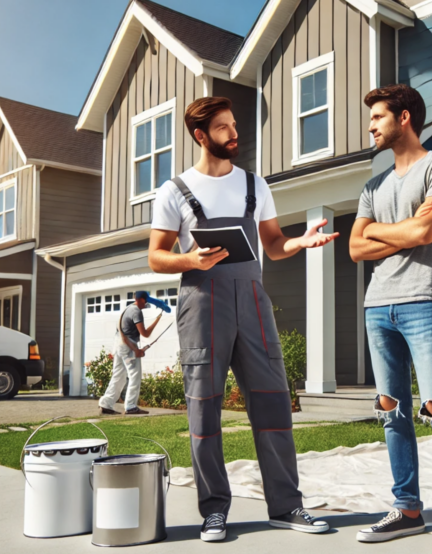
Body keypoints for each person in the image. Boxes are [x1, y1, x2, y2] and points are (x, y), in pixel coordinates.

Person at [148, 96, 336, 542]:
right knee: (204, 410)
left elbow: (272, 244)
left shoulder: (255, 184)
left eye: (235, 126)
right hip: (202, 304)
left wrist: (299, 242)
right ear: (200, 136)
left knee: (273, 404)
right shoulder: (174, 190)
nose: (235, 135)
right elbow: (157, 257)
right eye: (224, 128)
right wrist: (191, 259)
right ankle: (214, 510)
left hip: (253, 302)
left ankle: (287, 506)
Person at [349, 84, 432, 554]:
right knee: (391, 414)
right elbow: (356, 247)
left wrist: (384, 232)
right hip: (377, 305)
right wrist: (401, 232)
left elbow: (427, 230)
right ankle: (407, 510)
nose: (371, 126)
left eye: (378, 116)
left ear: (404, 118)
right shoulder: (372, 186)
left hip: (423, 300)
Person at [98, 291, 161, 415]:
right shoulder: (136, 311)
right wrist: (157, 320)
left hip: (119, 345)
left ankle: (106, 403)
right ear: (142, 300)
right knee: (135, 375)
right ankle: (131, 406)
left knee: (119, 375)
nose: (146, 304)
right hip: (127, 346)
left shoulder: (126, 309)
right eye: (146, 301)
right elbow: (145, 334)